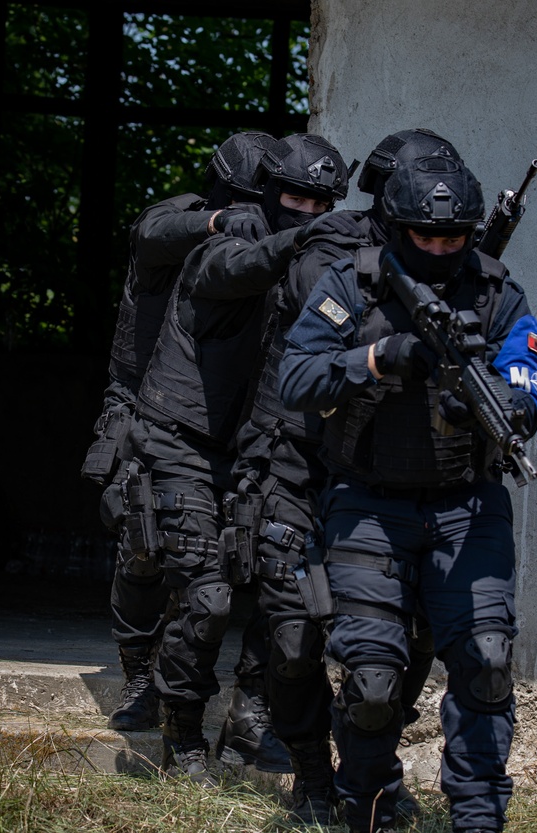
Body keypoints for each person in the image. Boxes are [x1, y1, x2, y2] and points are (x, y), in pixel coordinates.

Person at [275, 154, 537, 833]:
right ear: (395, 228)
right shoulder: (350, 285)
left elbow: (526, 385)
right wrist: (376, 357)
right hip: (368, 504)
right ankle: (367, 804)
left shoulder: (498, 294)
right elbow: (296, 378)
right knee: (371, 682)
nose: (440, 249)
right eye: (425, 236)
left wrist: (496, 407)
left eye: (453, 238)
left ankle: (479, 819)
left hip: (468, 505)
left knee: (485, 663)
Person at [220, 127, 465, 824]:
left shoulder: (457, 266)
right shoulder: (334, 243)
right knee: (295, 640)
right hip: (299, 467)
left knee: (404, 639)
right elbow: (308, 292)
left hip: (387, 479)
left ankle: (374, 772)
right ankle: (310, 778)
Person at [125, 132, 350, 786]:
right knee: (209, 594)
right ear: (269, 193)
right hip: (182, 440)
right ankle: (182, 735)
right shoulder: (227, 243)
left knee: (286, 591)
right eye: (295, 198)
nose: (306, 210)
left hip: (253, 451)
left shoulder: (313, 266)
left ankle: (252, 720)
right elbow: (234, 267)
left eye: (321, 202)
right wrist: (310, 238)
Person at [80, 132, 291, 775]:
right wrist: (220, 219)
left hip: (221, 407)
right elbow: (152, 234)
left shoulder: (266, 240)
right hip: (147, 399)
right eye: (247, 198)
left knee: (225, 560)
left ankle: (239, 713)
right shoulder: (183, 219)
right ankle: (139, 675)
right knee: (143, 543)